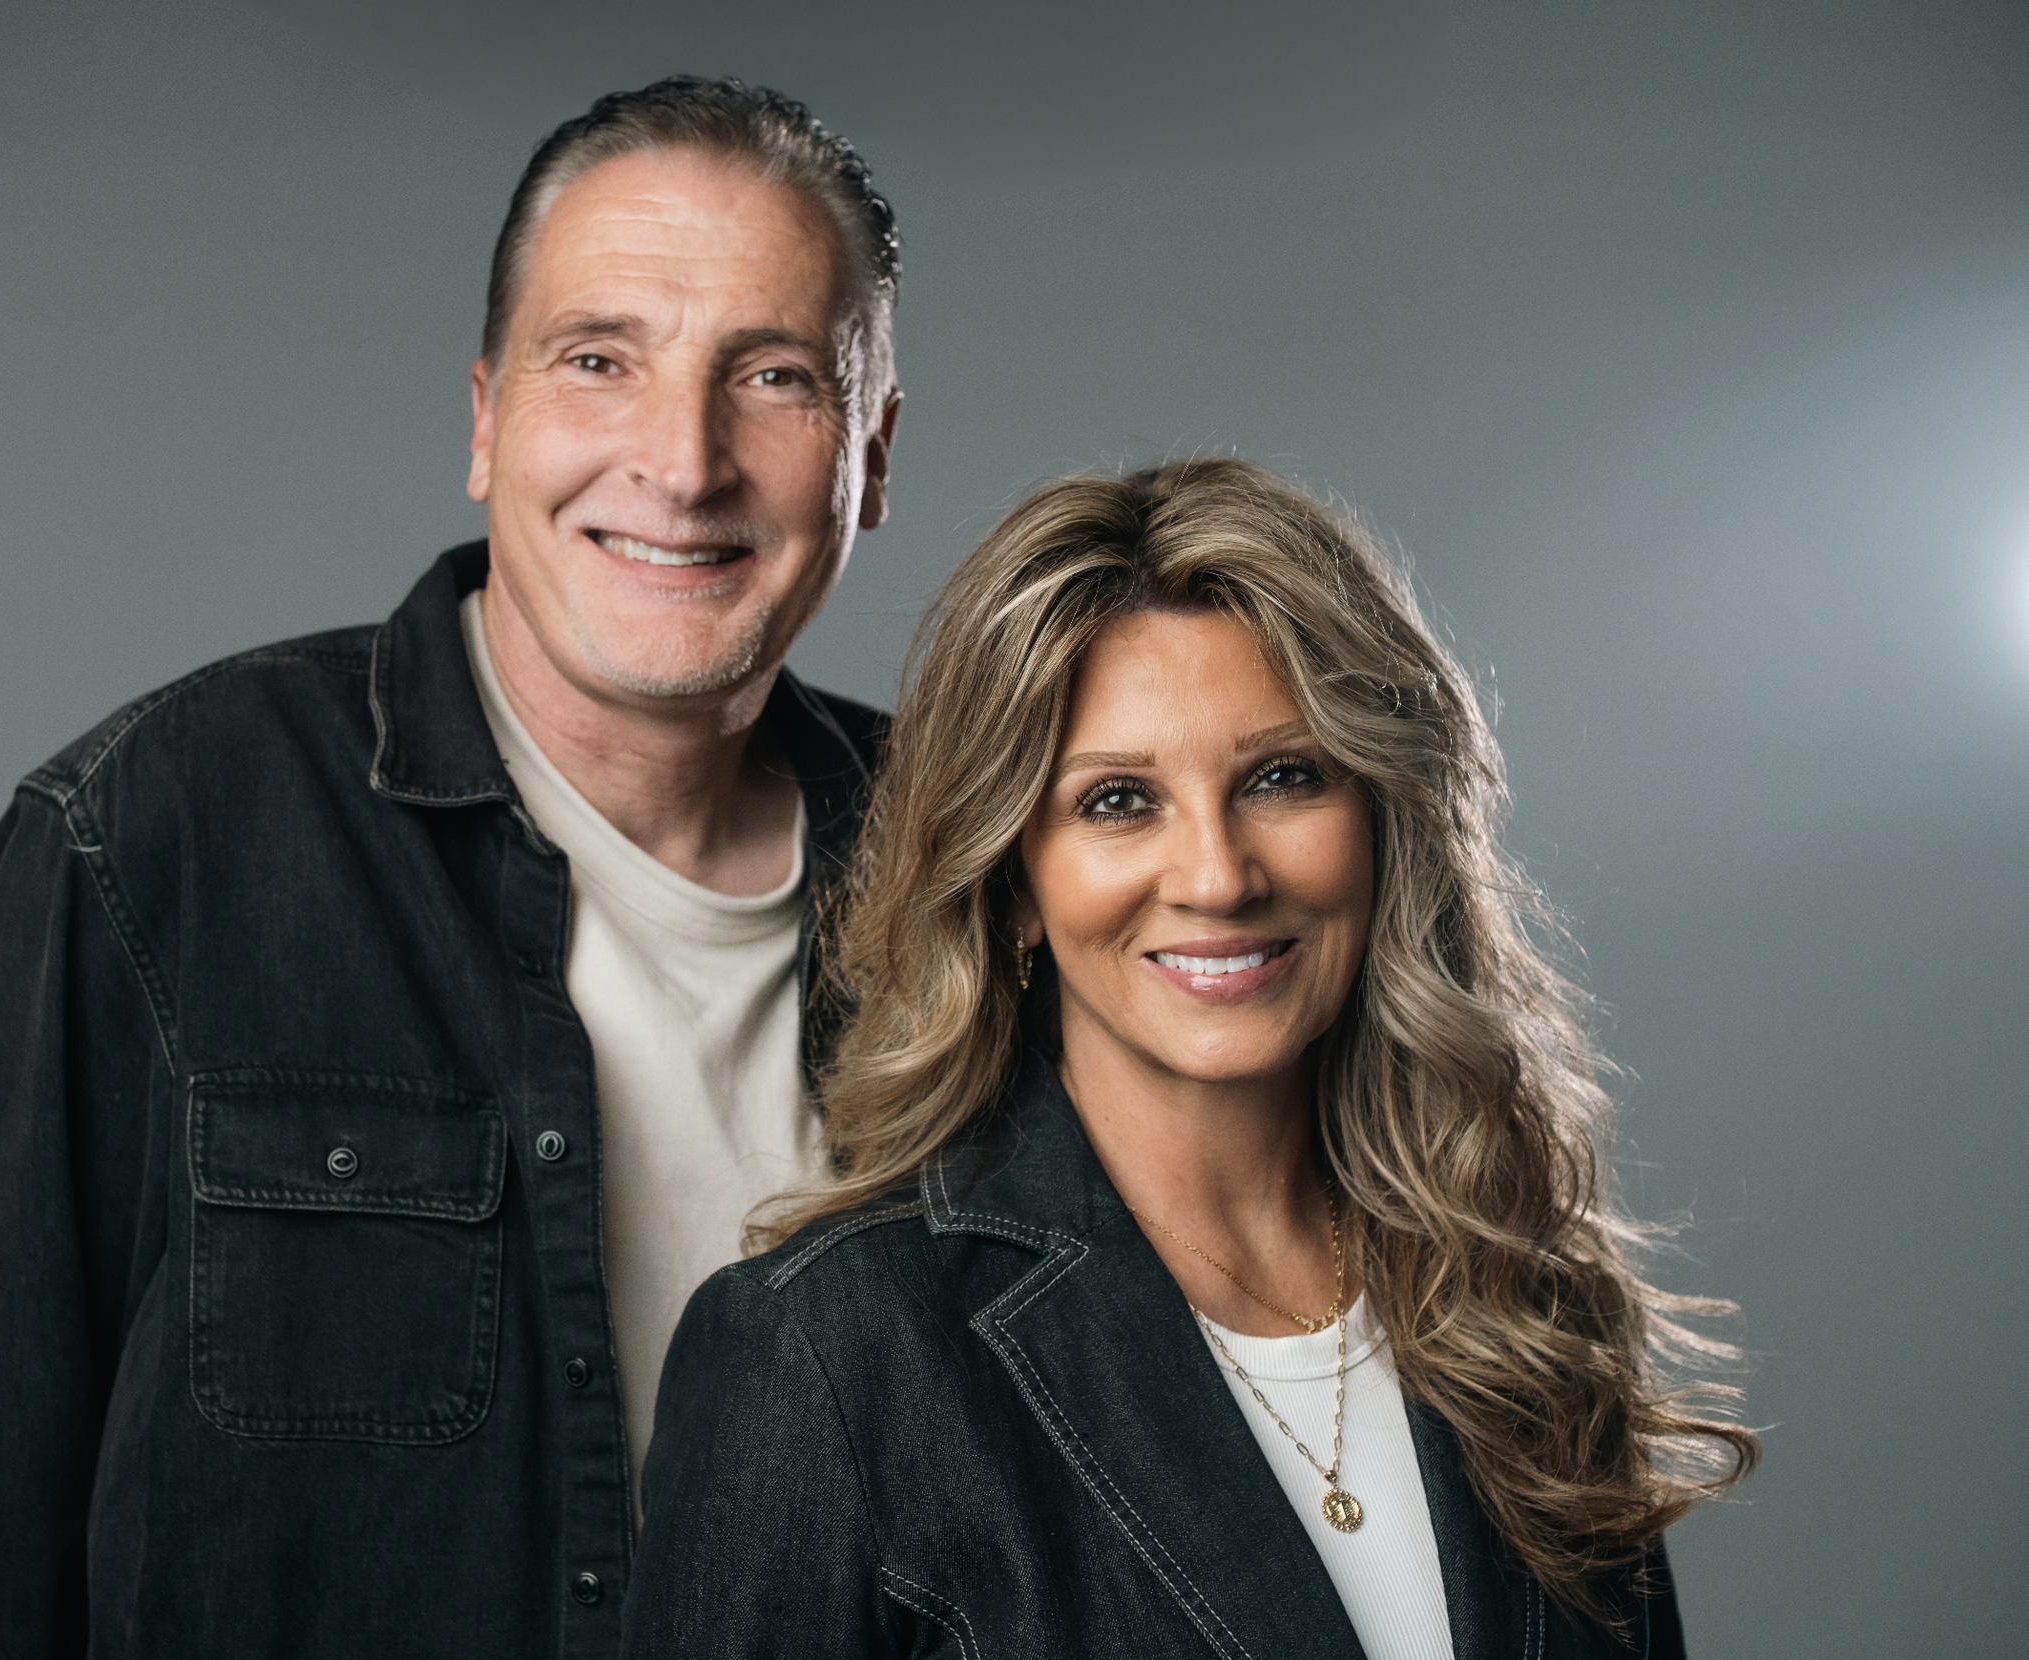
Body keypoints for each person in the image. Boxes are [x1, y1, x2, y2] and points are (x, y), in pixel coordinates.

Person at [0, 78, 902, 1658]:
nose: (683, 461)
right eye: (599, 359)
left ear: (869, 457)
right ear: (486, 421)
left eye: (772, 377)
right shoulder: (154, 834)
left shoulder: (976, 868)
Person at [624, 458, 1758, 1658]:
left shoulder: (1524, 1303)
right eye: (1117, 801)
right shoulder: (826, 1354)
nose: (1217, 876)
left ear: (1383, 824)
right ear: (1013, 883)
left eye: (1282, 777)